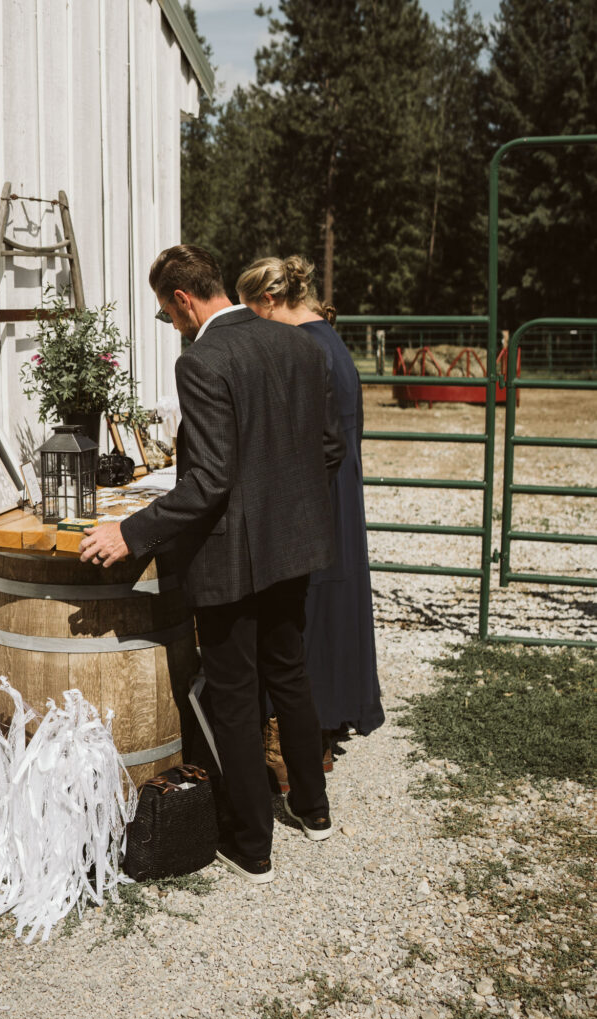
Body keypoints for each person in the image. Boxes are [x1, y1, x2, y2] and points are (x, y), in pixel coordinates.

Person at [79, 245, 345, 884]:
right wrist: (280, 505)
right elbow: (329, 448)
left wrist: (132, 531)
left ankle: (253, 844)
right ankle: (313, 809)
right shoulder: (303, 345)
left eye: (168, 315)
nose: (173, 326)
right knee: (290, 673)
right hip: (294, 545)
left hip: (231, 556)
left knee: (232, 695)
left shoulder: (202, 360)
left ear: (183, 301)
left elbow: (208, 482)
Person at [236, 255, 385, 759]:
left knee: (313, 603)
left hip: (323, 491)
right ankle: (325, 715)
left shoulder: (306, 347)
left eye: (251, 312)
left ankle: (304, 727)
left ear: (270, 302)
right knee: (330, 597)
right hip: (337, 487)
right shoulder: (327, 340)